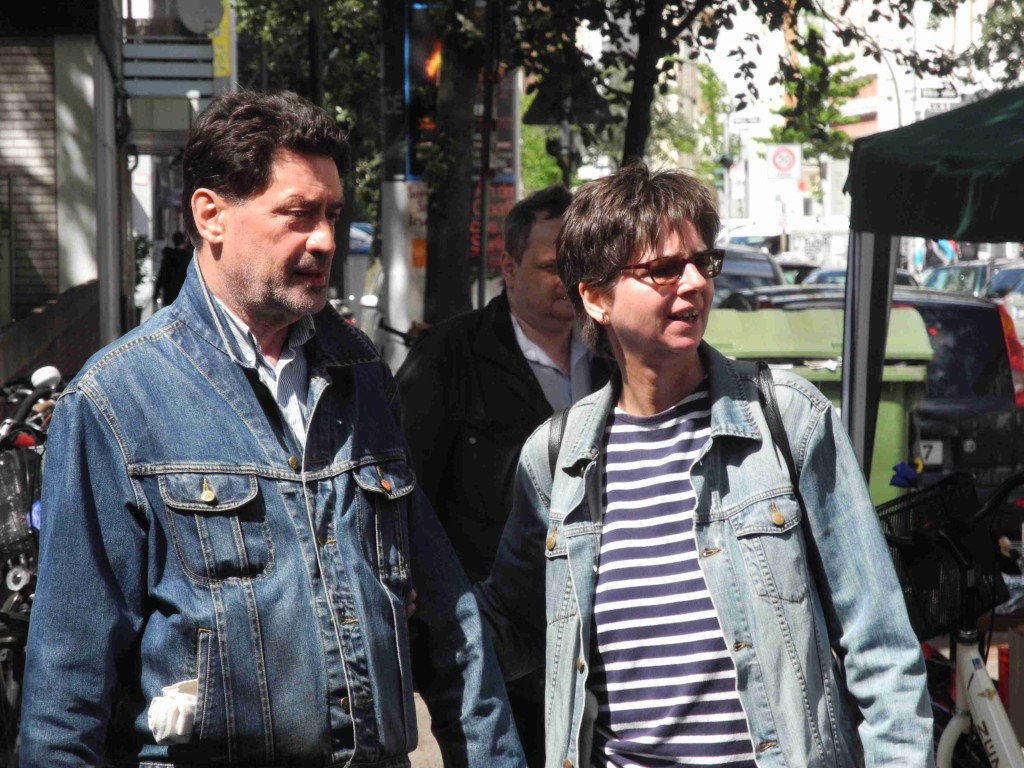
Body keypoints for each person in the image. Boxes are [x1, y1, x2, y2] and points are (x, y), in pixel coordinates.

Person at [21, 90, 524, 768]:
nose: (325, 240)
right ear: (212, 215)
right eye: (297, 215)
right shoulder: (116, 400)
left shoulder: (361, 376)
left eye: (332, 215)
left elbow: (448, 621)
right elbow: (66, 683)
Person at [476, 162, 933, 767]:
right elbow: (502, 626)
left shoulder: (786, 421)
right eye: (664, 269)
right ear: (595, 297)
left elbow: (881, 644)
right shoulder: (557, 459)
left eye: (703, 262)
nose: (694, 283)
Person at [395, 185, 614, 766]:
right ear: (509, 268)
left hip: (605, 636)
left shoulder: (617, 354)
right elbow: (407, 496)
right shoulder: (450, 356)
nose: (570, 280)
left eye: (580, 264)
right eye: (551, 266)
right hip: (494, 649)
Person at [153, 230, 192, 307]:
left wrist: (156, 293)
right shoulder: (187, 258)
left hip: (169, 294)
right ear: (184, 242)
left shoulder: (168, 257)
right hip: (184, 295)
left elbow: (162, 276)